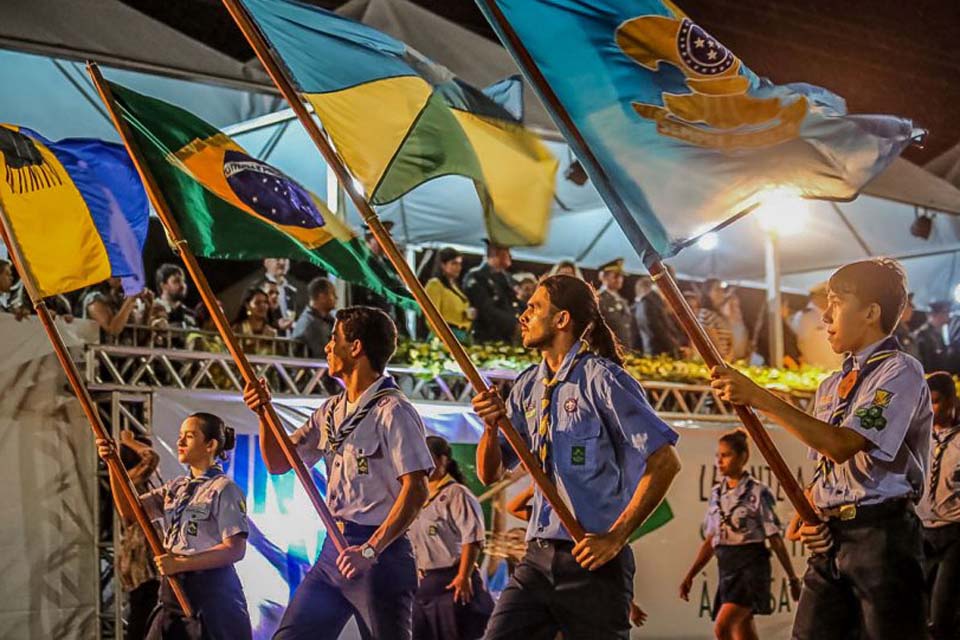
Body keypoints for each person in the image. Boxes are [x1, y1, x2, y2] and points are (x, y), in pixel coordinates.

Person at [710, 258, 931, 640]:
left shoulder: (900, 370)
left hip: (881, 538)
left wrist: (760, 397)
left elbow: (841, 445)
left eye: (837, 302)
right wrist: (812, 508)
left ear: (871, 312)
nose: (824, 315)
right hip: (829, 540)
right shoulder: (831, 384)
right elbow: (827, 466)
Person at [472, 274, 681, 639]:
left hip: (592, 561)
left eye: (534, 307)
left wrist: (615, 538)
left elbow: (665, 462)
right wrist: (490, 426)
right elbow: (490, 474)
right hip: (536, 559)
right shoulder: (525, 387)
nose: (523, 316)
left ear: (561, 319)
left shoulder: (603, 380)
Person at [243, 306, 433, 640]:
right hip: (333, 551)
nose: (328, 347)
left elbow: (416, 490)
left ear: (356, 347)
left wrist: (371, 551)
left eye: (334, 339)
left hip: (380, 558)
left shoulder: (394, 411)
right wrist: (264, 413)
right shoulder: (330, 411)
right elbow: (279, 462)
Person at [96, 413, 252, 640]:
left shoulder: (224, 489)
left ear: (210, 445)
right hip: (173, 591)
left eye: (189, 436)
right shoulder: (176, 488)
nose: (180, 442)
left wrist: (181, 563)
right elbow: (131, 513)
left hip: (211, 594)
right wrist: (113, 464)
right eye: (180, 436)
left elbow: (235, 549)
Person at [679, 429, 800, 640]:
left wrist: (792, 578)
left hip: (750, 567)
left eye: (726, 455)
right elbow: (711, 540)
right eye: (718, 456)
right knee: (742, 632)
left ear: (743, 457)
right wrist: (690, 575)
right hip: (727, 566)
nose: (720, 461)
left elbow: (775, 538)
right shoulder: (717, 494)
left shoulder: (758, 492)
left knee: (723, 627)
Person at [506, 481, 649, 630]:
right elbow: (513, 508)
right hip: (553, 577)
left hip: (585, 578)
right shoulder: (550, 519)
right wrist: (533, 489)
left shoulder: (597, 525)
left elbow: (607, 573)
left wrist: (630, 605)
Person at [408, 436, 494, 640]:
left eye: (429, 459)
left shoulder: (457, 494)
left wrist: (463, 577)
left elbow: (472, 538)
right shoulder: (416, 496)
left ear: (443, 460)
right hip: (423, 584)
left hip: (451, 582)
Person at [917, 372, 960, 639]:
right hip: (922, 533)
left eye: (935, 402)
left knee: (942, 612)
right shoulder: (920, 439)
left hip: (954, 533)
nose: (931, 410)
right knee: (919, 611)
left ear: (951, 400)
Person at [115, 431, 161, 640]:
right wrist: (128, 441)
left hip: (143, 565)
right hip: (142, 566)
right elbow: (152, 457)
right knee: (141, 621)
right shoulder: (130, 479)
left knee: (144, 619)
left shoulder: (138, 482)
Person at [463, 240, 518, 344]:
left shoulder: (504, 278)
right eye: (506, 252)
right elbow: (486, 309)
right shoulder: (476, 276)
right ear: (495, 254)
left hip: (505, 336)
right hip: (485, 337)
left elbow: (513, 301)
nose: (510, 256)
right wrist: (513, 324)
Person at [424, 247, 474, 344]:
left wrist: (468, 314)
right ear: (443, 265)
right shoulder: (435, 285)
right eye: (454, 263)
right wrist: (443, 339)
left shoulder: (456, 288)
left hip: (463, 336)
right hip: (444, 337)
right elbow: (431, 318)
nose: (458, 267)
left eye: (460, 264)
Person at [792, 282, 843, 370]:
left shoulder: (835, 314)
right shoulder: (806, 316)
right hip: (814, 370)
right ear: (815, 297)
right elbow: (797, 344)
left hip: (836, 368)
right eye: (827, 296)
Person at [84, 278, 151, 337]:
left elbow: (137, 337)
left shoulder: (120, 298)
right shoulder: (94, 300)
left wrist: (148, 310)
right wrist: (130, 300)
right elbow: (113, 331)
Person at [632, 275, 679, 358]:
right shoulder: (651, 301)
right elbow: (657, 329)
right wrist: (675, 348)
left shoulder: (648, 301)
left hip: (654, 352)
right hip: (660, 353)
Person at [596, 258, 636, 351]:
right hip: (607, 351)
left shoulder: (623, 301)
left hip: (625, 350)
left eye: (621, 276)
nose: (619, 279)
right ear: (603, 277)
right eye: (615, 275)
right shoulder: (598, 299)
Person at [293, 277, 338, 358]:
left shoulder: (328, 320)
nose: (336, 298)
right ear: (322, 296)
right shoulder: (310, 324)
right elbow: (324, 355)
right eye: (333, 293)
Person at [232, 286, 278, 355]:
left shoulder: (272, 332)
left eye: (265, 302)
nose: (263, 306)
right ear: (247, 305)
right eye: (258, 303)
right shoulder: (237, 329)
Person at [699, 278, 734, 361]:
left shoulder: (721, 316)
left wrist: (730, 358)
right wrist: (724, 360)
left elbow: (730, 341)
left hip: (727, 362)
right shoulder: (706, 313)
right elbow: (713, 344)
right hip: (717, 362)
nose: (721, 293)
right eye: (717, 290)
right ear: (708, 293)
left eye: (722, 290)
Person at [155, 264, 196, 329]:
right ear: (163, 285)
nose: (182, 285)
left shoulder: (189, 314)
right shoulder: (153, 310)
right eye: (176, 281)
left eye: (183, 281)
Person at [915, 300, 952, 373]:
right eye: (945, 312)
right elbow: (926, 362)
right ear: (935, 314)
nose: (948, 315)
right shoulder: (924, 335)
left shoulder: (938, 333)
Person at [262, 257, 300, 323]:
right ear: (266, 262)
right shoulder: (258, 286)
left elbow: (293, 317)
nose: (282, 262)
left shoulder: (293, 289)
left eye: (285, 259)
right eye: (278, 259)